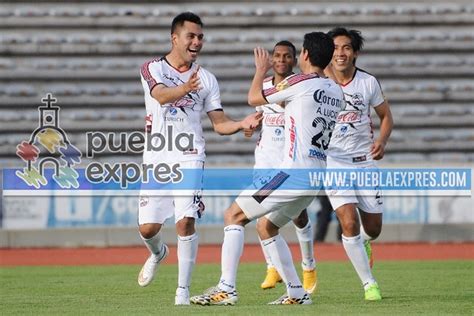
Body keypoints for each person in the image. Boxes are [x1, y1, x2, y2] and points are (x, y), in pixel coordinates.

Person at [190, 32, 344, 305]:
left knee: (233, 215)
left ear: (305, 55)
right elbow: (298, 107)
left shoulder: (300, 82)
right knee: (266, 228)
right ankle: (297, 293)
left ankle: (226, 288)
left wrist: (261, 70)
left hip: (293, 173)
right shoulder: (336, 91)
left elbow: (254, 97)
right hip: (316, 177)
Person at [137, 12, 261, 306]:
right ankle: (158, 253)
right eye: (191, 36)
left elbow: (218, 123)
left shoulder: (207, 79)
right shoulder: (152, 68)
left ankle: (182, 291)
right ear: (175, 38)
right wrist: (184, 88)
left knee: (186, 221)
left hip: (191, 155)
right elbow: (161, 96)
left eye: (200, 37)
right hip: (157, 158)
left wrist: (241, 124)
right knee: (147, 229)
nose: (197, 42)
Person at [324, 27, 393, 301]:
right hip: (334, 163)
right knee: (348, 221)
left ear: (355, 52)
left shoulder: (368, 82)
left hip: (364, 163)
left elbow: (386, 116)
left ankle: (364, 242)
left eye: (346, 48)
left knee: (373, 229)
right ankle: (369, 284)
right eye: (335, 48)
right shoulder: (318, 82)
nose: (340, 53)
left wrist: (383, 142)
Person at [253, 40, 317, 294]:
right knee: (259, 213)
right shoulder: (264, 86)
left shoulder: (300, 86)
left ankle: (309, 266)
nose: (281, 60)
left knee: (299, 216)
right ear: (271, 59)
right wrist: (250, 126)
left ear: (294, 59)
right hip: (265, 159)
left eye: (287, 56)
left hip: (290, 159)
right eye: (277, 55)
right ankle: (272, 267)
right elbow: (261, 118)